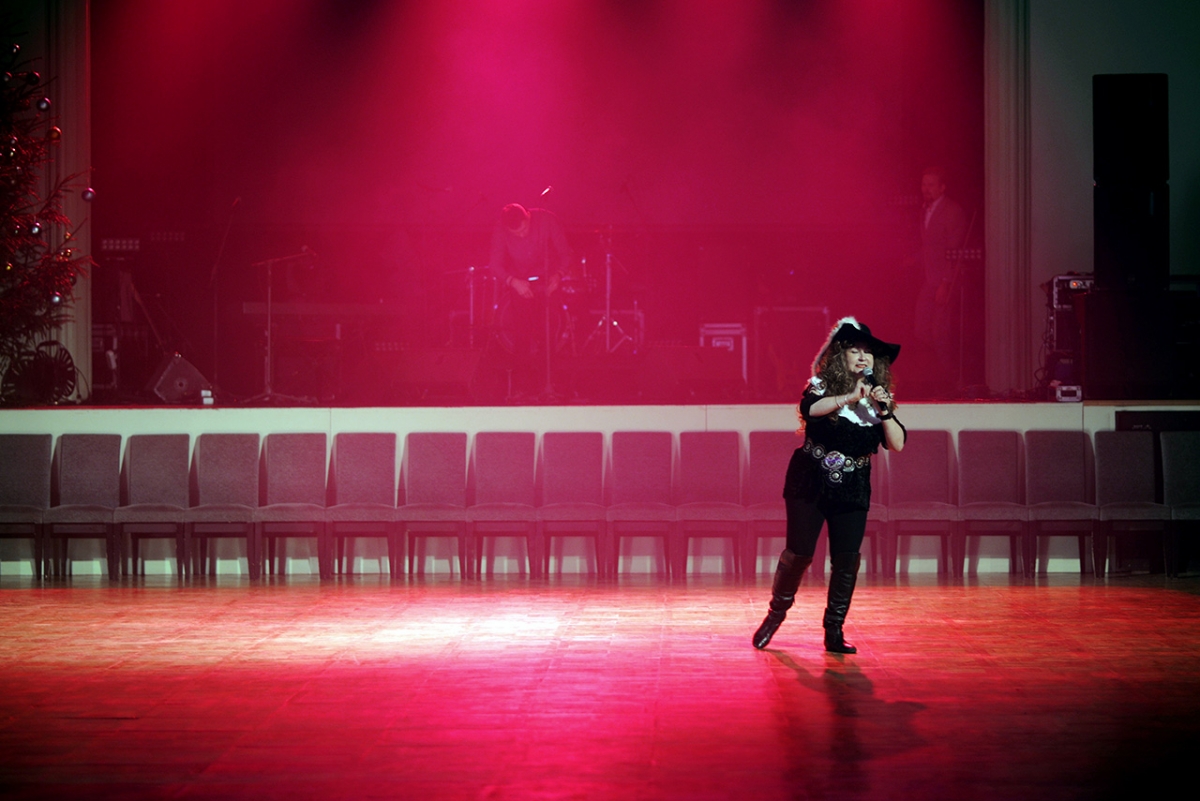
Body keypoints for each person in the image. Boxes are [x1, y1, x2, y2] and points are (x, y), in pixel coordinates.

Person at [752, 317, 906, 654]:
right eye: (855, 350)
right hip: (810, 480)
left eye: (868, 352)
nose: (862, 357)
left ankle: (833, 631)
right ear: (840, 355)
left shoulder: (878, 399)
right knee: (799, 554)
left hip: (853, 486)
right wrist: (849, 396)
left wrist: (884, 411)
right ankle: (775, 616)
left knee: (846, 560)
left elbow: (897, 444)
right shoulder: (821, 386)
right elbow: (810, 410)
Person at [488, 203, 573, 393]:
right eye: (516, 233)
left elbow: (565, 253)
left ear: (528, 216)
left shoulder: (546, 219)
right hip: (520, 284)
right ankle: (522, 389)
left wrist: (558, 275)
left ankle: (549, 385)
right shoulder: (500, 229)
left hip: (547, 281)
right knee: (522, 336)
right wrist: (513, 282)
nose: (522, 235)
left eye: (524, 229)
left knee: (548, 334)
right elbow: (494, 265)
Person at [914, 167, 967, 390]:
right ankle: (935, 375)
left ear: (942, 187)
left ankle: (948, 380)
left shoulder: (952, 211)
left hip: (946, 280)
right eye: (924, 184)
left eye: (931, 185)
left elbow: (953, 251)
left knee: (940, 331)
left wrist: (946, 282)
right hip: (930, 279)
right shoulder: (925, 209)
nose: (926, 189)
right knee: (922, 328)